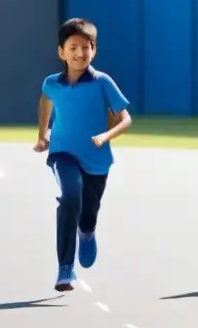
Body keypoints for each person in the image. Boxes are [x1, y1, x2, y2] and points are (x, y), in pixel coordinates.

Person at [34, 18, 132, 292]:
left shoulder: (103, 82)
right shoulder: (52, 83)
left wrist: (105, 136)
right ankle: (65, 268)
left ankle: (87, 232)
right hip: (62, 153)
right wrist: (43, 135)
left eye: (86, 47)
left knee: (87, 214)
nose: (80, 53)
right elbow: (45, 100)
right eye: (73, 47)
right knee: (70, 196)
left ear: (94, 50)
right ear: (61, 52)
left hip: (98, 161)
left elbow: (125, 119)